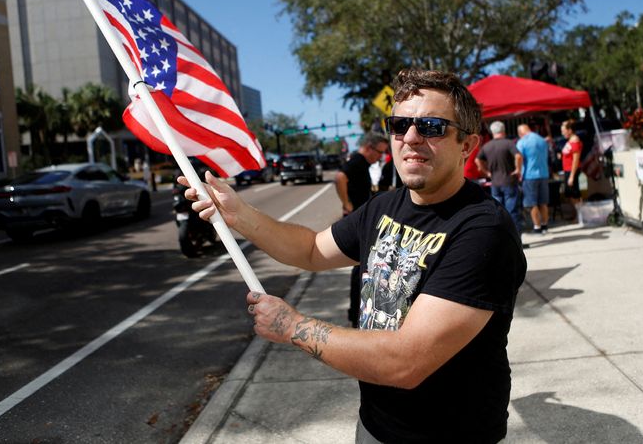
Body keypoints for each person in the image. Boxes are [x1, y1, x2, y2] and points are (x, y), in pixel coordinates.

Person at [180, 69, 527, 443]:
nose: (411, 138)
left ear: (467, 144)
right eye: (400, 124)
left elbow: (405, 362)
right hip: (375, 424)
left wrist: (293, 327)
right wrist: (240, 216)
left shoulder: (483, 231)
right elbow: (311, 250)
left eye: (431, 126)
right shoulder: (383, 206)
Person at [335, 132, 390, 328]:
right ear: (368, 147)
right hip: (355, 222)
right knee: (360, 268)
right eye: (379, 152)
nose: (380, 157)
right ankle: (355, 313)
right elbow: (340, 177)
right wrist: (347, 203)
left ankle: (358, 311)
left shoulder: (363, 164)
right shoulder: (358, 161)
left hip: (361, 220)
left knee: (363, 267)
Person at [476, 121, 523, 234]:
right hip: (509, 181)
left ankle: (501, 239)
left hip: (495, 183)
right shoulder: (508, 143)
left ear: (492, 132)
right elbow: (518, 156)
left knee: (498, 213)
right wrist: (518, 169)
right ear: (503, 130)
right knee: (512, 212)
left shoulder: (487, 146)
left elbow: (477, 160)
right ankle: (516, 240)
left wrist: (486, 172)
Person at [517, 123, 550, 234]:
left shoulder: (522, 142)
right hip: (544, 174)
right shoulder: (542, 140)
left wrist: (518, 171)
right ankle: (545, 225)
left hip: (529, 175)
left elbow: (519, 157)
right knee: (543, 202)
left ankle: (537, 227)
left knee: (532, 203)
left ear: (520, 133)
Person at [560, 119, 583, 221]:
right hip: (567, 170)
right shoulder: (570, 141)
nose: (562, 133)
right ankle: (576, 214)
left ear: (570, 130)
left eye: (564, 131)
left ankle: (580, 215)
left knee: (574, 194)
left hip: (571, 170)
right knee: (570, 194)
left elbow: (576, 159)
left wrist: (572, 176)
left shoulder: (575, 141)